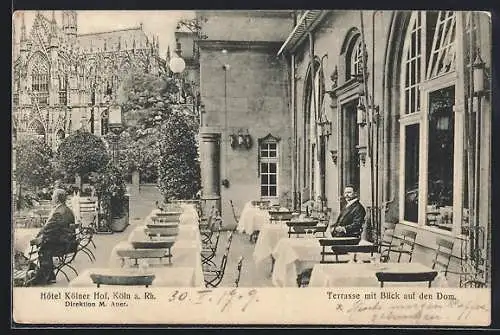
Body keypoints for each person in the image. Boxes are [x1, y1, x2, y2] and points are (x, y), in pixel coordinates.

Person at [30, 189, 77, 285]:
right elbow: (53, 229)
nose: (52, 198)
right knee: (44, 242)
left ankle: (45, 276)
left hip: (62, 245)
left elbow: (48, 229)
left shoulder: (58, 212)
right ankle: (48, 275)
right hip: (69, 242)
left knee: (43, 247)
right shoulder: (67, 210)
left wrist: (38, 238)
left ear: (57, 199)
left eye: (53, 196)